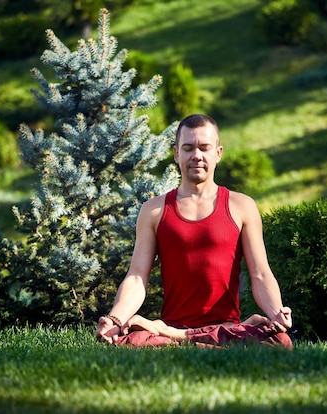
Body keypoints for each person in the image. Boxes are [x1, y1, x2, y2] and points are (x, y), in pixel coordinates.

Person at [95, 114, 293, 348]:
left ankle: (186, 343)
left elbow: (260, 274)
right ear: (176, 153)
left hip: (225, 329)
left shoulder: (242, 206)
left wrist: (277, 313)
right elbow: (137, 277)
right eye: (188, 148)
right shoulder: (154, 210)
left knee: (280, 342)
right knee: (129, 340)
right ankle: (188, 341)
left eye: (204, 148)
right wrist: (115, 319)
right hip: (170, 329)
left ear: (218, 153)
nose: (196, 155)